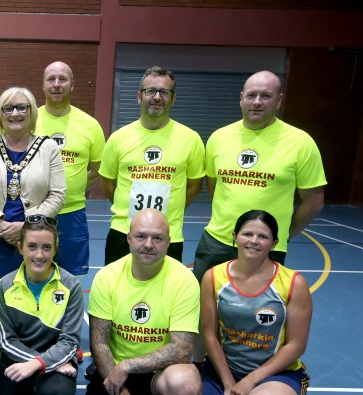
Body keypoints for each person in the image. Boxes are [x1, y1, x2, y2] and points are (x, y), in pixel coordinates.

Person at [191, 70, 326, 361]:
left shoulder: (300, 142)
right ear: (241, 98)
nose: (257, 102)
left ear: (279, 100)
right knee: (202, 314)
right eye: (251, 95)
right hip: (217, 243)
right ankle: (197, 372)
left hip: (266, 249)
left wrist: (279, 237)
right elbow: (215, 188)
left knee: (256, 318)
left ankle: (248, 373)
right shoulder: (219, 138)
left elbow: (313, 202)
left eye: (266, 96)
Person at [83, 209, 201, 395]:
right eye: (141, 236)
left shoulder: (183, 280)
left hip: (161, 373)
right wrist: (122, 393)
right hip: (113, 371)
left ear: (168, 242)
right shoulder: (108, 276)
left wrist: (129, 366)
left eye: (157, 238)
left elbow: (182, 349)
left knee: (186, 382)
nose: (148, 244)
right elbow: (99, 342)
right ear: (128, 239)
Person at [196, 210, 311, 395]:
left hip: (273, 375)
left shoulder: (293, 283)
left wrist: (248, 382)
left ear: (274, 242)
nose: (254, 241)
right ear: (234, 236)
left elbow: (296, 345)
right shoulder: (214, 277)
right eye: (247, 234)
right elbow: (210, 336)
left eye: (263, 236)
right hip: (224, 372)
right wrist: (229, 384)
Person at [0, 215, 82, 395]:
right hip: (19, 363)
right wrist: (41, 362)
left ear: (55, 249)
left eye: (46, 247)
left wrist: (39, 364)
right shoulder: (5, 285)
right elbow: (7, 341)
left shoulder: (70, 286)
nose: (39, 255)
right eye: (32, 246)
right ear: (20, 248)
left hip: (52, 367)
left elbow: (70, 342)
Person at [99, 66, 204, 265]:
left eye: (164, 92)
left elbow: (193, 187)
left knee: (164, 294)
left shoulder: (191, 139)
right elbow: (107, 183)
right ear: (139, 96)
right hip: (123, 232)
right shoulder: (118, 138)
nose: (157, 97)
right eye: (150, 91)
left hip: (167, 234)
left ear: (173, 98)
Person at [0, 87, 65, 284]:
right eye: (8, 108)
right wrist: (0, 224)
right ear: (0, 114)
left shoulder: (49, 148)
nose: (15, 113)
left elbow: (58, 196)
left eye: (21, 107)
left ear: (32, 112)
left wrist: (27, 226)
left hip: (35, 244)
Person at [35, 61, 105, 276]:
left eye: (62, 79)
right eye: (51, 79)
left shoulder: (90, 125)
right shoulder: (30, 120)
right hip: (34, 212)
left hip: (72, 213)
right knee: (34, 272)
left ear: (72, 85)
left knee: (69, 277)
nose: (56, 84)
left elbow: (97, 170)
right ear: (43, 85)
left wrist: (74, 187)